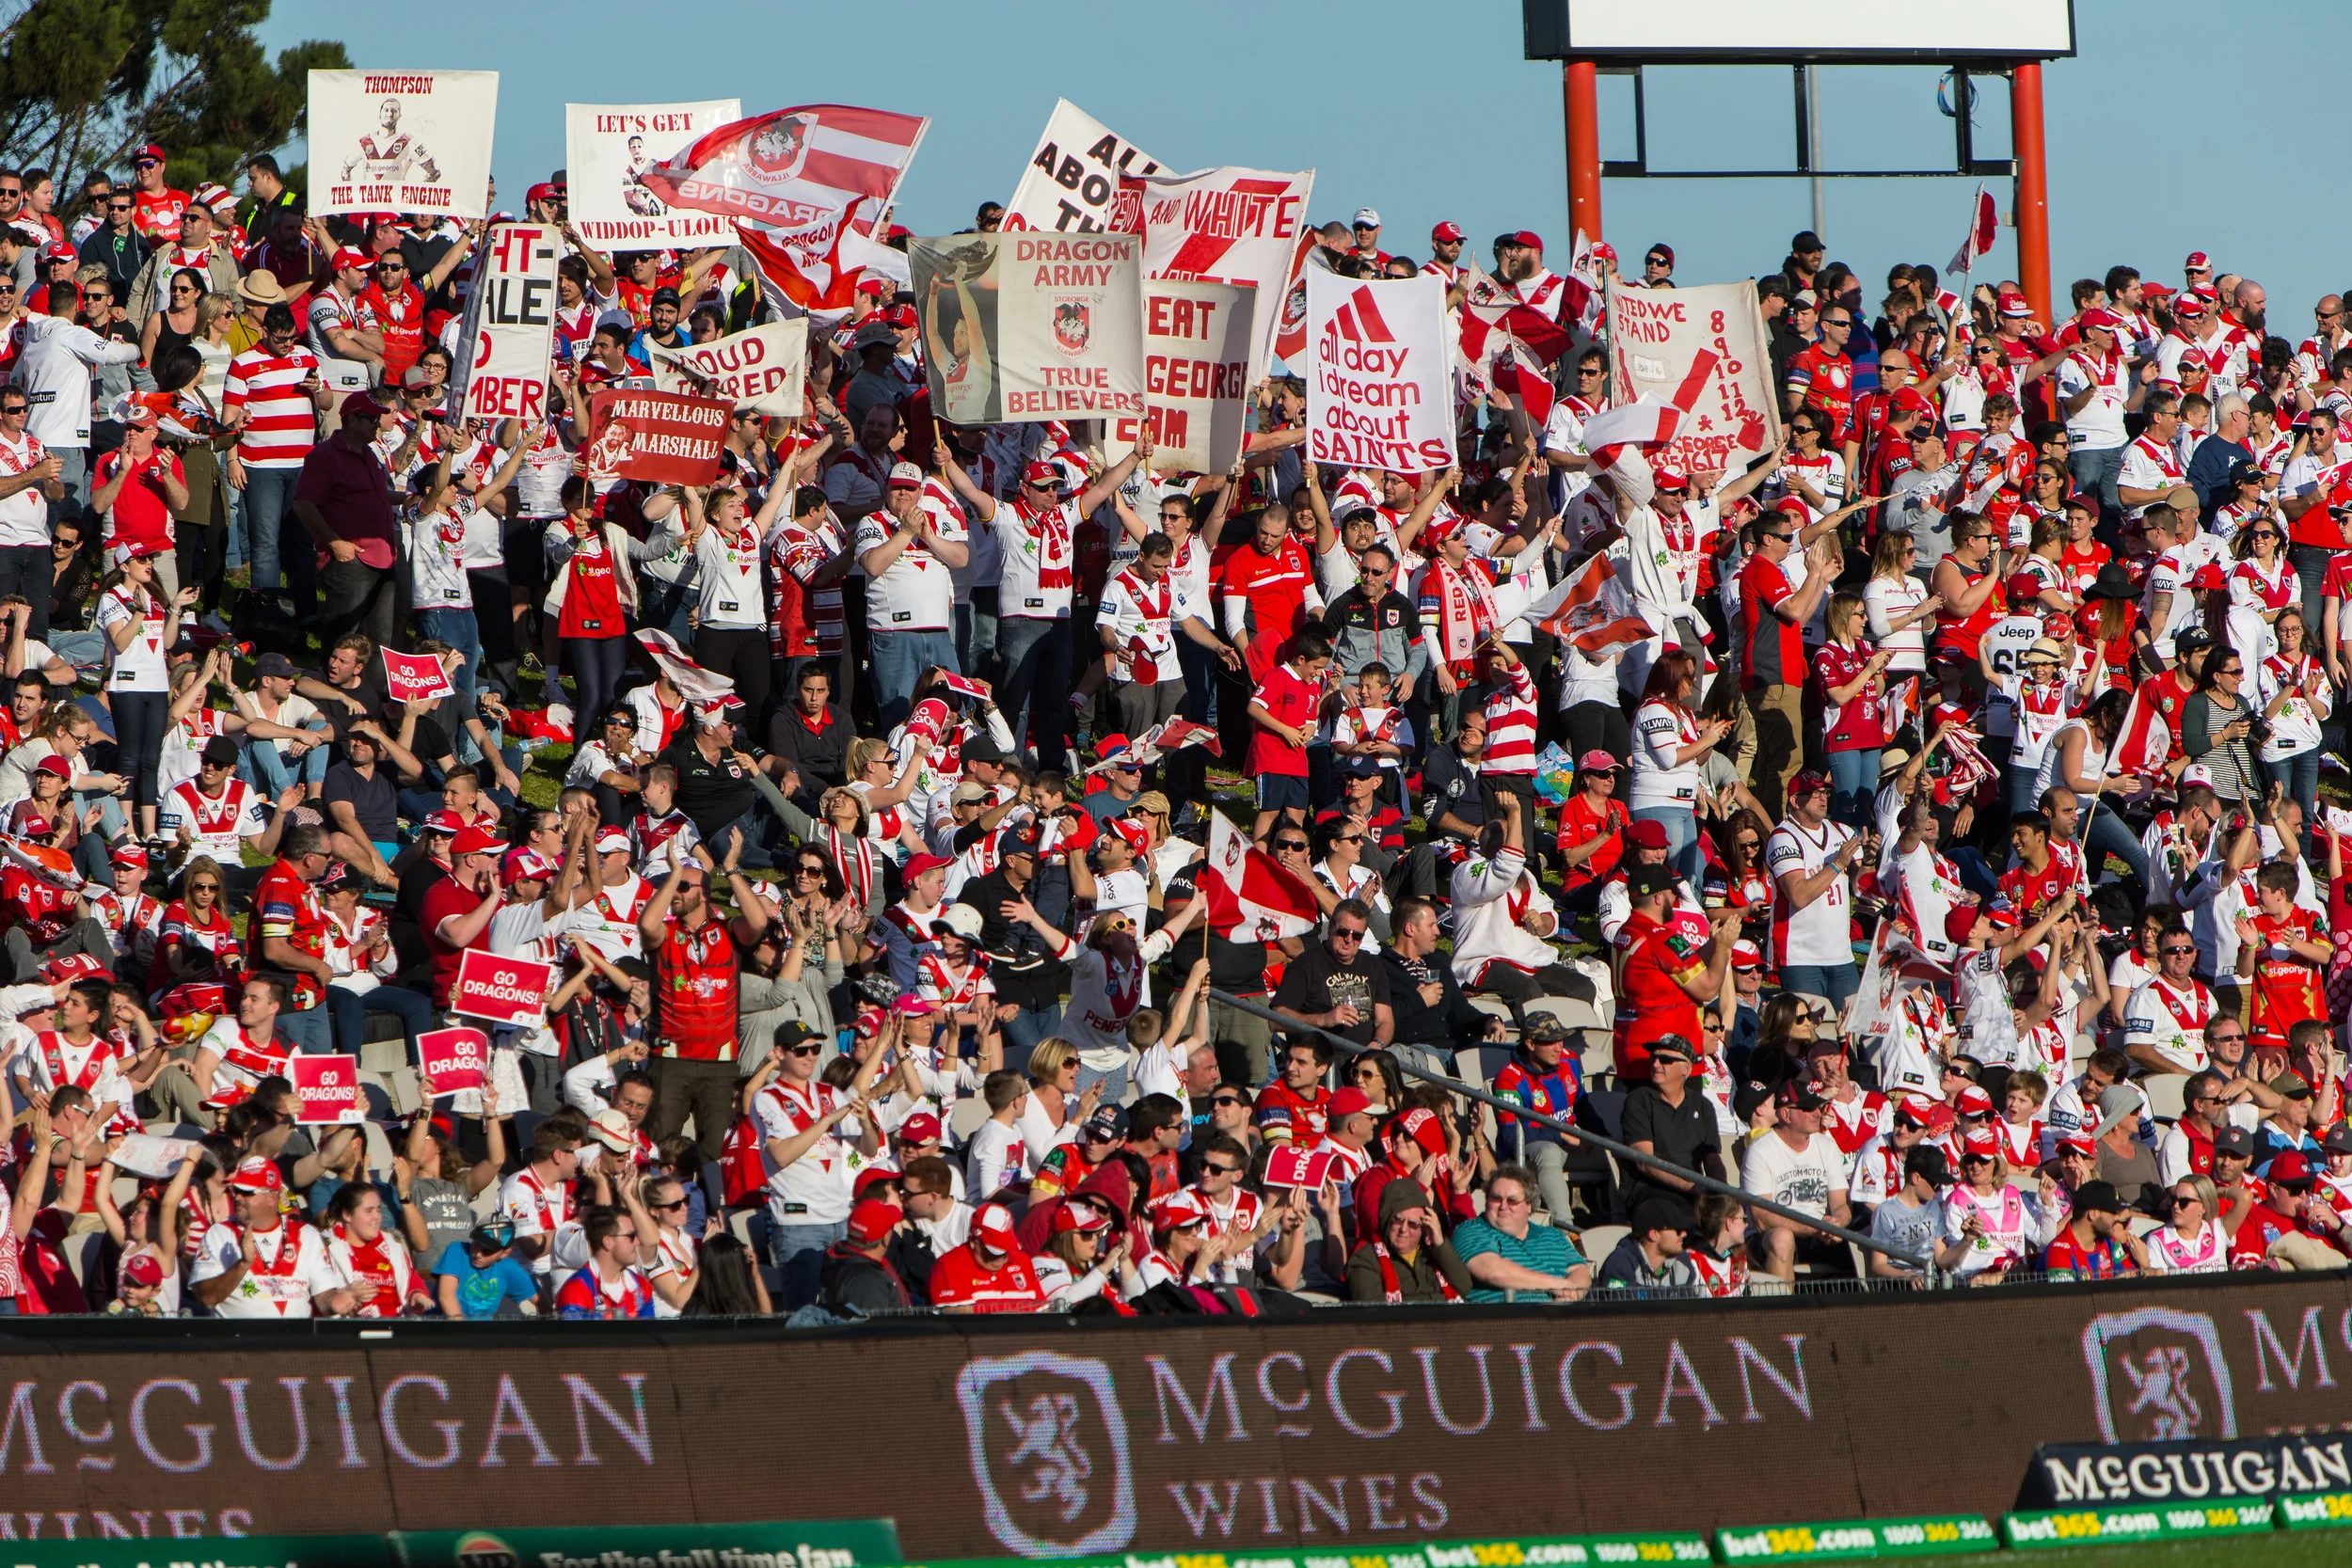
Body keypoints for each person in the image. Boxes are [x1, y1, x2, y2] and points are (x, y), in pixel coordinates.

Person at [1450, 1164, 1588, 1301]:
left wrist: (1572, 1293)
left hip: (1556, 1317)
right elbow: (1493, 1272)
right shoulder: (1471, 1230)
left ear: (1529, 1205)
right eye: (1496, 1199)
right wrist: (1556, 1284)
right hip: (1501, 1318)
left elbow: (1580, 1269)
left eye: (1512, 1201)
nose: (1503, 1206)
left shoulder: (1553, 1235)